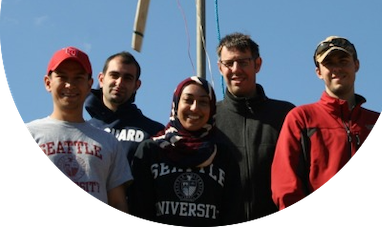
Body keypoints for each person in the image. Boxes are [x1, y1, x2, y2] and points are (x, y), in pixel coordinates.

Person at [271, 36, 381, 211]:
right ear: (319, 72)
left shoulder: (374, 121)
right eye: (328, 63)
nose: (337, 68)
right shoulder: (301, 119)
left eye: (344, 61)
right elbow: (285, 186)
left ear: (357, 65)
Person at [25, 47, 132, 213]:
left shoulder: (109, 142)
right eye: (62, 77)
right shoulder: (32, 132)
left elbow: (118, 202)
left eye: (78, 78)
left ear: (89, 85)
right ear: (48, 82)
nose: (70, 85)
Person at [131, 76, 242, 226]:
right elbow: (139, 208)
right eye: (188, 100)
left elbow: (233, 213)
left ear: (211, 109)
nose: (195, 108)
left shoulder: (223, 155)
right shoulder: (151, 150)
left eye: (203, 102)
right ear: (176, 104)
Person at [215, 32, 295, 222]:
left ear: (257, 64)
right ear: (219, 68)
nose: (236, 69)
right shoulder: (209, 118)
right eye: (229, 63)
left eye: (243, 62)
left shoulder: (286, 115)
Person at [85, 51, 164, 163]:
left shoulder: (155, 132)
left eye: (127, 78)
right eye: (114, 75)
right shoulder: (83, 130)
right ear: (101, 80)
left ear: (136, 86)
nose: (120, 83)